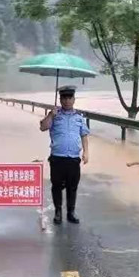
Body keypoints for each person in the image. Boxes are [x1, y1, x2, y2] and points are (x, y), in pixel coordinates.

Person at [39, 85, 90, 225]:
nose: (67, 101)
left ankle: (71, 212)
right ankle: (58, 212)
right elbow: (43, 127)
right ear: (60, 99)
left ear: (74, 99)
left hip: (73, 158)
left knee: (72, 187)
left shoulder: (79, 117)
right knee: (56, 186)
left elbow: (84, 135)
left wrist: (86, 152)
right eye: (64, 98)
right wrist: (51, 115)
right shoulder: (54, 115)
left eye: (69, 98)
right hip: (57, 158)